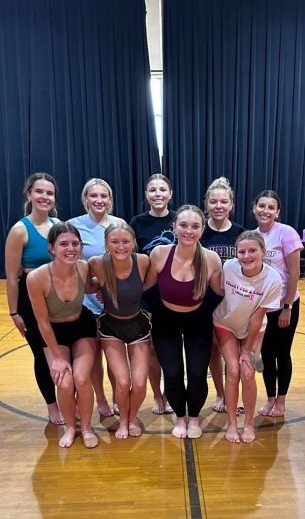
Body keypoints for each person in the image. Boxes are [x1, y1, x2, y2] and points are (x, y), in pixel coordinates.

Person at [145, 205, 222, 439]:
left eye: (195, 226)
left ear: (202, 230)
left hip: (197, 320)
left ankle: (195, 417)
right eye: (184, 225)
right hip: (165, 320)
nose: (189, 231)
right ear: (174, 227)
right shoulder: (159, 254)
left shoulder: (211, 258)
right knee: (173, 371)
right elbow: (146, 289)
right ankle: (180, 417)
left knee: (198, 373)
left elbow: (220, 294)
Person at [26, 222, 99, 448]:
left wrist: (110, 287)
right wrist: (57, 357)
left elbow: (89, 287)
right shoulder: (37, 278)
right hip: (53, 332)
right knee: (65, 384)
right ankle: (70, 427)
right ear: (51, 248)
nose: (71, 249)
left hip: (82, 325)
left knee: (81, 378)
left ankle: (86, 428)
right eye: (64, 244)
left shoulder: (84, 267)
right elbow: (42, 321)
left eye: (75, 244)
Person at [4, 173, 63, 425]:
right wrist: (14, 313)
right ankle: (52, 406)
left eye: (49, 193)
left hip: (59, 298)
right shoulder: (20, 230)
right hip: (31, 300)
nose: (45, 197)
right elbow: (10, 276)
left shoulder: (59, 225)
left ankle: (68, 401)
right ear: (29, 194)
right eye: (39, 192)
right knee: (42, 355)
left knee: (62, 353)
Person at [213, 231, 282, 443]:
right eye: (241, 251)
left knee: (248, 372)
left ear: (263, 251)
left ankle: (249, 425)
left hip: (253, 329)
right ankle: (232, 424)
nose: (246, 256)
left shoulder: (272, 279)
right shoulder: (228, 267)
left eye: (252, 250)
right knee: (233, 371)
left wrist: (247, 349)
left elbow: (257, 319)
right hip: (226, 324)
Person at [69, 178, 124, 417]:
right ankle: (100, 399)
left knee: (114, 355)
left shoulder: (119, 224)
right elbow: (70, 265)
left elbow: (125, 265)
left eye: (104, 196)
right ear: (85, 199)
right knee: (93, 355)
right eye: (94, 196)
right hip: (86, 302)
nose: (99, 200)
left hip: (114, 303)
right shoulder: (72, 226)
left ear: (110, 200)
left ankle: (117, 397)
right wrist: (93, 287)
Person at [89, 223, 151, 439]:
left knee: (141, 384)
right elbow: (87, 286)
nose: (121, 246)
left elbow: (148, 285)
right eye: (114, 242)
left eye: (126, 241)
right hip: (111, 328)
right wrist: (99, 287)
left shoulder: (143, 261)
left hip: (138, 326)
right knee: (123, 382)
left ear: (133, 243)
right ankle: (123, 421)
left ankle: (132, 417)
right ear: (106, 244)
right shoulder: (96, 263)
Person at [252, 190, 303, 418]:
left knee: (282, 353)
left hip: (284, 305)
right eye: (261, 206)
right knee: (265, 353)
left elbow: (294, 272)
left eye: (271, 207)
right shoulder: (252, 236)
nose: (265, 211)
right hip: (263, 307)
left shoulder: (286, 233)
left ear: (277, 212)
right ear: (254, 208)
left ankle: (281, 400)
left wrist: (287, 306)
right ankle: (270, 398)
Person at [129, 174, 175, 415]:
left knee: (173, 351)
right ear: (146, 195)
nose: (158, 194)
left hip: (177, 297)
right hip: (148, 299)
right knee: (153, 352)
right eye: (152, 190)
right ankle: (158, 397)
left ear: (170, 194)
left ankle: (171, 395)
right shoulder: (137, 223)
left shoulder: (180, 220)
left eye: (162, 189)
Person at [200, 177, 245, 413]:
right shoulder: (199, 231)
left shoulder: (240, 233)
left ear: (231, 205)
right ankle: (220, 393)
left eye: (224, 202)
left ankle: (231, 396)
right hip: (205, 302)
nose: (219, 206)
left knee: (233, 353)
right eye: (214, 201)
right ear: (206, 204)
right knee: (212, 350)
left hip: (234, 303)